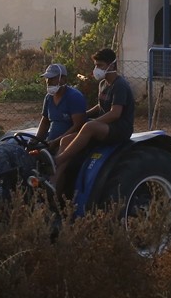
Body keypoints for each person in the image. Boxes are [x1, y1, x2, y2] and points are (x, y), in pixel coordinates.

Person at [52, 47, 134, 192]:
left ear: (112, 65)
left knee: (89, 127)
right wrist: (85, 115)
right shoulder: (103, 84)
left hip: (119, 128)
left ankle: (58, 159)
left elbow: (115, 113)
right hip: (105, 128)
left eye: (100, 65)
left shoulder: (120, 85)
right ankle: (54, 182)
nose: (96, 69)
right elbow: (100, 105)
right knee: (65, 140)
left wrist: (92, 122)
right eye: (96, 65)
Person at [32, 63, 87, 149]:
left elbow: (78, 125)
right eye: (47, 78)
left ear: (63, 79)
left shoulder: (74, 97)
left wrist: (57, 141)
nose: (48, 81)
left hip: (68, 144)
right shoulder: (49, 97)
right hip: (51, 142)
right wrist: (35, 140)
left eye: (52, 78)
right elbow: (45, 122)